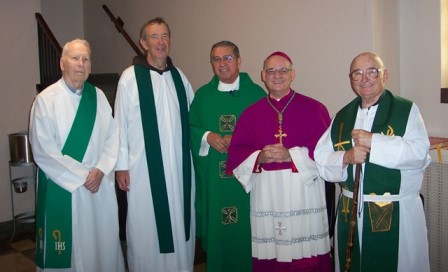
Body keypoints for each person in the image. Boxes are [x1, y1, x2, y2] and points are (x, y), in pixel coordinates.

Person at [314, 52, 431, 272]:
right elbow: (320, 161)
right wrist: (346, 157)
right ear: (351, 80)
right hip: (350, 214)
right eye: (357, 73)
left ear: (384, 75)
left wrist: (374, 143)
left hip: (396, 214)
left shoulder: (406, 110)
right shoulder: (342, 117)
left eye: (372, 71)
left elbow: (419, 155)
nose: (364, 78)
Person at [226, 51, 332, 272]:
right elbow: (236, 155)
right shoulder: (250, 114)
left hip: (303, 192)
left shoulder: (315, 109)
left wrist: (291, 155)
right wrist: (260, 157)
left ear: (293, 74)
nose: (277, 75)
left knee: (306, 255)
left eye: (283, 70)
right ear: (263, 75)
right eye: (271, 71)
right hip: (267, 194)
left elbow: (327, 155)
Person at [29, 39, 125, 272]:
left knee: (101, 245)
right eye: (74, 58)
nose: (81, 64)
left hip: (99, 185)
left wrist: (101, 169)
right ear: (62, 63)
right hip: (67, 187)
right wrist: (84, 176)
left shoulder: (99, 96)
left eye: (86, 59)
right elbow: (43, 149)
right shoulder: (46, 100)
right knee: (69, 250)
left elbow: (113, 136)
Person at [114, 17, 195, 272]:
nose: (160, 42)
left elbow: (194, 119)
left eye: (164, 36)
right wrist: (121, 166)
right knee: (145, 227)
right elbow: (120, 125)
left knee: (181, 226)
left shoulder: (179, 77)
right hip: (143, 171)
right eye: (154, 37)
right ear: (143, 43)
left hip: (181, 169)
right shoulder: (129, 78)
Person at [189, 40, 266, 272]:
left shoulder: (256, 94)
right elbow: (189, 128)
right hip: (215, 183)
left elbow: (269, 129)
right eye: (216, 59)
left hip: (249, 184)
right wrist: (207, 136)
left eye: (228, 58)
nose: (222, 64)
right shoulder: (202, 96)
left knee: (249, 231)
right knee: (220, 235)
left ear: (239, 61)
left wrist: (241, 141)